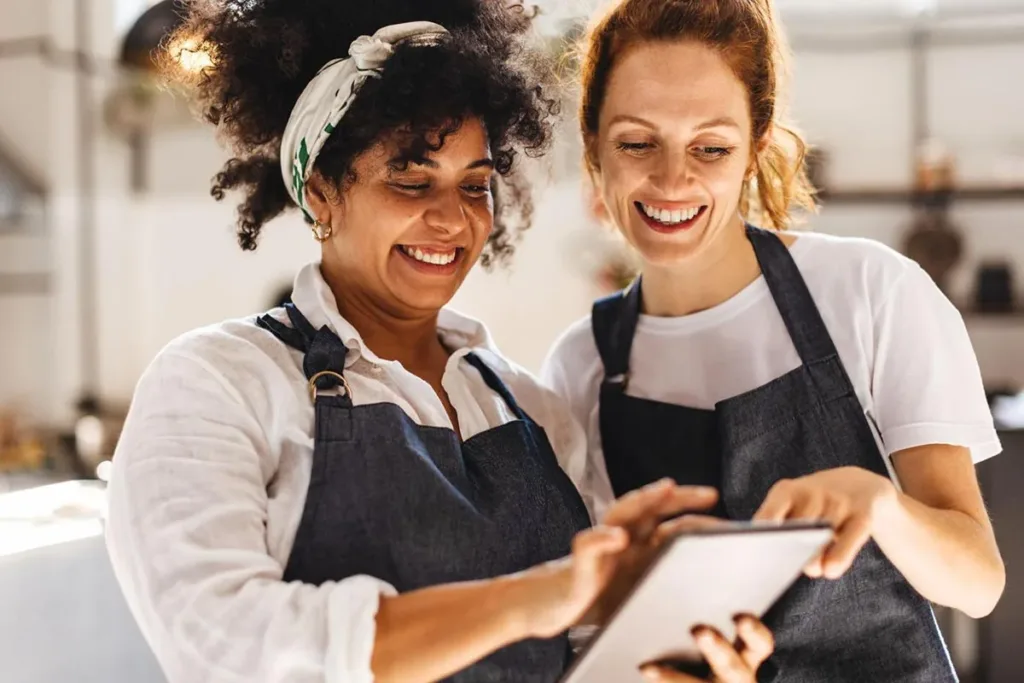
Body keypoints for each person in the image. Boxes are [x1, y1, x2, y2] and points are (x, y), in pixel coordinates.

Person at [104, 1, 773, 682]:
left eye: (475, 186)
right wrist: (535, 596)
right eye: (411, 179)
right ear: (321, 191)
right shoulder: (218, 382)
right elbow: (229, 642)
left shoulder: (530, 408)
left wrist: (671, 648)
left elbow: (581, 652)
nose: (452, 218)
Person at [542, 1, 1006, 681]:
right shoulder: (582, 364)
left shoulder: (871, 292)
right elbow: (596, 624)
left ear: (756, 147)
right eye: (637, 142)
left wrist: (881, 503)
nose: (674, 180)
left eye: (712, 147)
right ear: (593, 149)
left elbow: (977, 581)